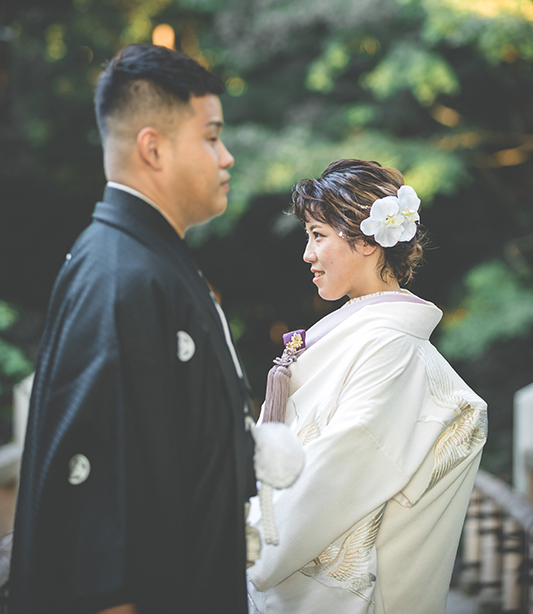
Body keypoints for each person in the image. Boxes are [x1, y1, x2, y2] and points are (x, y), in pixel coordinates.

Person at [9, 44, 256, 614]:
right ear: (153, 148)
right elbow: (97, 533)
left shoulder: (149, 262)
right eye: (212, 137)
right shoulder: (121, 277)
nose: (227, 157)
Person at [247, 159, 487, 614]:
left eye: (318, 235)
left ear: (367, 241)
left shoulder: (390, 349)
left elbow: (332, 474)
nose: (308, 254)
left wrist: (245, 544)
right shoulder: (366, 336)